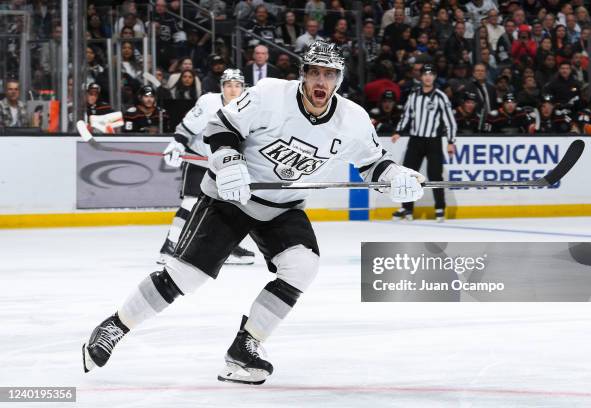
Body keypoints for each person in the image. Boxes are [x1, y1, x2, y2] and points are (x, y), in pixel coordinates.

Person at [81, 40, 425, 384]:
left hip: (282, 205)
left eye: (330, 75)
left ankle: (245, 347)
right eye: (315, 73)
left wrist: (396, 177)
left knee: (302, 265)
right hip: (229, 197)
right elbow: (220, 127)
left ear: (339, 79)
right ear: (303, 75)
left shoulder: (352, 119)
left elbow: (373, 164)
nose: (321, 82)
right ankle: (114, 326)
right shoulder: (269, 95)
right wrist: (229, 161)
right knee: (187, 276)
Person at [160, 69, 255, 265]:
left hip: (225, 165)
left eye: (237, 85)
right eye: (229, 85)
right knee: (191, 203)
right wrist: (177, 144)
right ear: (222, 87)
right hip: (199, 159)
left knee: (230, 207)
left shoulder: (249, 107)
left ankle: (223, 249)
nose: (233, 89)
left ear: (243, 88)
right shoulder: (208, 102)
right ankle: (170, 246)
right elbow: (186, 127)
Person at [391, 64, 457, 222]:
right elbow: (406, 115)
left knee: (435, 175)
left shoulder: (440, 96)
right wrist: (398, 131)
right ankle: (407, 208)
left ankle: (440, 208)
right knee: (408, 175)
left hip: (433, 141)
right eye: (425, 74)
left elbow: (450, 121)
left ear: (434, 77)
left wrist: (450, 141)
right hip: (415, 141)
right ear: (420, 77)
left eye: (431, 74)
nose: (428, 77)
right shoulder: (414, 95)